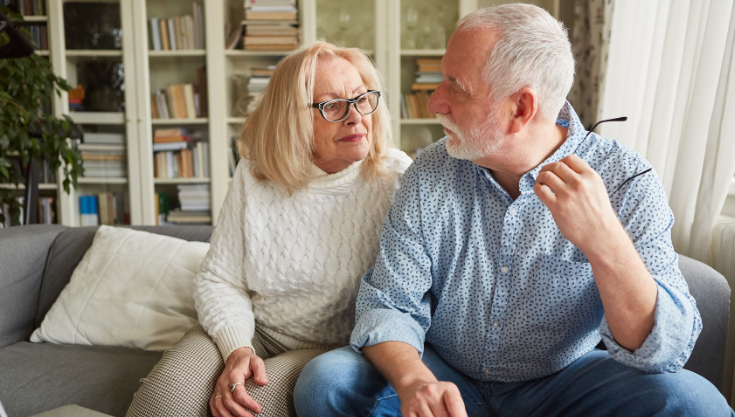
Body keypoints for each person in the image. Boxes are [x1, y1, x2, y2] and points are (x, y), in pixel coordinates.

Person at [294, 5, 734, 417]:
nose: (434, 103)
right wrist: (413, 382)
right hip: (446, 372)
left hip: (568, 382)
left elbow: (665, 349)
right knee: (325, 383)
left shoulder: (625, 180)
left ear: (521, 108)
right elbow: (389, 304)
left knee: (697, 404)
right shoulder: (430, 172)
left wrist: (605, 243)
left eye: (456, 88)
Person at [125, 41, 412, 417]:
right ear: (292, 117)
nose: (356, 117)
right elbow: (220, 279)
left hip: (334, 350)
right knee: (161, 405)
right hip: (255, 331)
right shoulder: (255, 174)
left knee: (240, 410)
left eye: (362, 99)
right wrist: (237, 349)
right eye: (332, 105)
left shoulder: (397, 177)